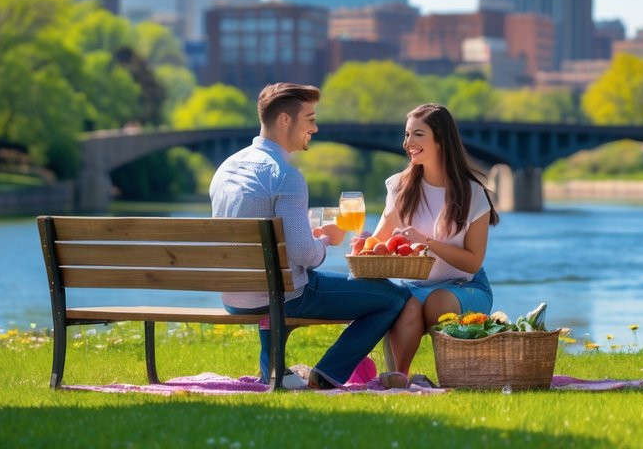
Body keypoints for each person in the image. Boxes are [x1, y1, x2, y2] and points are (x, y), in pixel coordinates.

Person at [209, 82, 409, 389]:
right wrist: (327, 239)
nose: (315, 127)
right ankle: (326, 375)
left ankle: (274, 371)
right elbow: (305, 256)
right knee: (394, 297)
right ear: (285, 120)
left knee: (275, 280)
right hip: (280, 295)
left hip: (234, 297)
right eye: (310, 119)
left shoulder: (226, 168)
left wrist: (307, 238)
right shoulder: (285, 176)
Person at [370, 103, 499, 375]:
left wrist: (427, 242)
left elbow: (473, 262)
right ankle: (399, 378)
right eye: (407, 135)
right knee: (411, 305)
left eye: (418, 134)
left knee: (435, 301)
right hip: (414, 286)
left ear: (440, 140)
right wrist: (363, 244)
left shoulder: (472, 193)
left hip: (466, 286)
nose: (408, 143)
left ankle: (457, 373)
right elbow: (377, 243)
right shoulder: (399, 187)